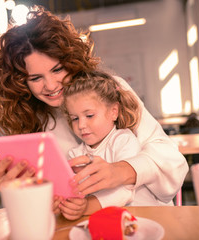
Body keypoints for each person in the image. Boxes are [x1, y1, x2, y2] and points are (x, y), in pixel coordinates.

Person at [0, 6, 188, 208]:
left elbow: (172, 159)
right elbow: (42, 201)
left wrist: (122, 170)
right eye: (36, 78)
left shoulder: (107, 89)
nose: (50, 85)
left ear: (71, 61)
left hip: (143, 215)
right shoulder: (25, 119)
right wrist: (16, 190)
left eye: (57, 69)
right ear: (20, 82)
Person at [55, 70, 159, 220]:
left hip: (142, 218)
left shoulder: (123, 140)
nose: (81, 125)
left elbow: (124, 191)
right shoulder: (75, 155)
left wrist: (85, 207)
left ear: (113, 112)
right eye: (75, 118)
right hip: (106, 220)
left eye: (89, 115)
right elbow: (74, 193)